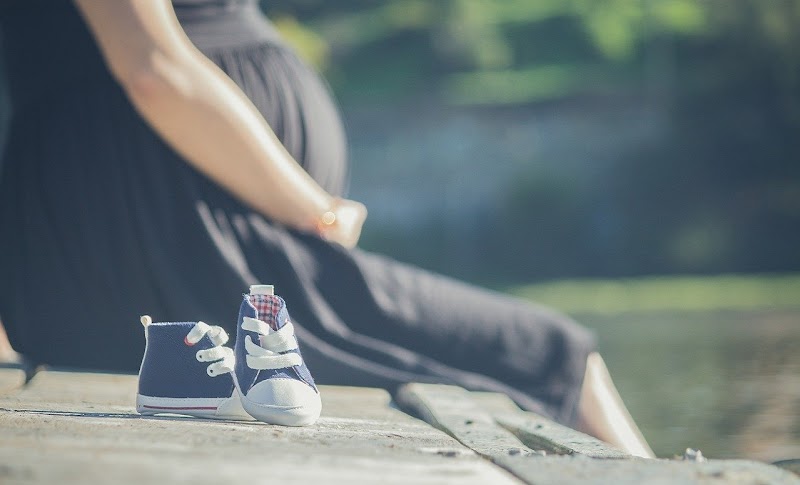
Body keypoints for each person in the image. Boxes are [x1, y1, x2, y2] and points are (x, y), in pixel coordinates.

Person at [0, 0, 653, 457]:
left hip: (167, 237)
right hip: (159, 234)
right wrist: (311, 206)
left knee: (549, 356)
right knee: (552, 355)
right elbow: (153, 69)